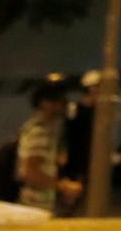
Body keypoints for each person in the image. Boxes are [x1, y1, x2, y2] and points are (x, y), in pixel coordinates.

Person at [17, 76, 81, 213]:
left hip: (42, 204)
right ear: (43, 102)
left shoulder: (47, 130)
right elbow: (29, 172)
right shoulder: (39, 132)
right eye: (56, 99)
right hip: (36, 205)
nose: (62, 103)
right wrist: (63, 186)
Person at [62, 69, 99, 188]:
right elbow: (67, 133)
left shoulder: (100, 112)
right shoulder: (75, 109)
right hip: (76, 158)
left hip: (93, 157)